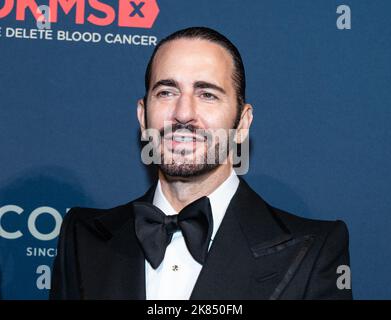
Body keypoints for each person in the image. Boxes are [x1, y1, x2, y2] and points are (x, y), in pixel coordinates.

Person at [50, 27, 352, 300]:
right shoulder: (82, 237)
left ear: (243, 123)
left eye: (207, 94)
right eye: (166, 92)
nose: (183, 114)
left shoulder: (312, 251)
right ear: (143, 117)